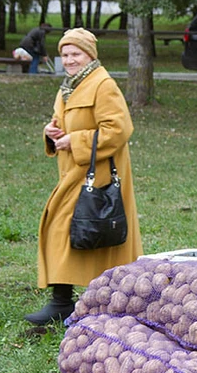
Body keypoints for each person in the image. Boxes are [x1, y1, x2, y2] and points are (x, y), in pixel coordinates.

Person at [26, 28, 143, 325]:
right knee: (70, 231)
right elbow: (62, 121)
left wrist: (75, 141)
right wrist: (51, 133)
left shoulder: (103, 84)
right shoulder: (70, 86)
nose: (69, 60)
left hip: (98, 174)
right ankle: (64, 301)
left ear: (90, 54)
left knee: (83, 232)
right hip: (73, 170)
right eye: (64, 54)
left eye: (75, 53)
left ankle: (76, 301)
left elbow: (118, 130)